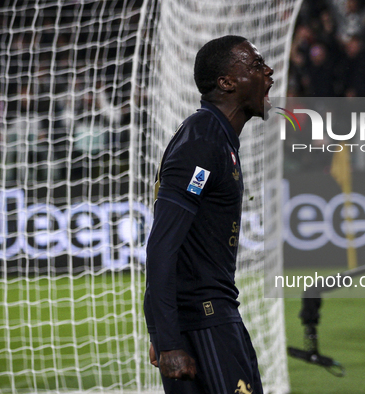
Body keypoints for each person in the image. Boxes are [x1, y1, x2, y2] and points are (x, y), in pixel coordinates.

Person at [143, 35, 273, 393]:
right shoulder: (202, 140)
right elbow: (161, 246)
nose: (269, 72)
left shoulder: (218, 138)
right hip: (204, 321)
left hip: (211, 316)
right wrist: (167, 339)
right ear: (227, 82)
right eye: (256, 66)